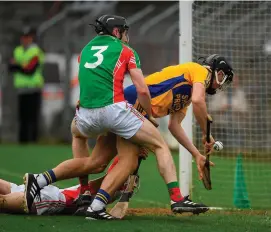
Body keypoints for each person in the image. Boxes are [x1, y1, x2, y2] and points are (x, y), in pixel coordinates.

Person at [23, 14, 211, 220]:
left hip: (84, 114)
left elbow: (89, 80)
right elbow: (142, 89)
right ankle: (176, 198)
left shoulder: (85, 51)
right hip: (114, 111)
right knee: (157, 146)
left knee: (91, 155)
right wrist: (148, 116)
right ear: (115, 32)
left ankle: (53, 183)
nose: (126, 35)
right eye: (124, 31)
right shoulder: (126, 51)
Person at [8, 27, 44, 144]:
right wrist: (21, 66)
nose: (25, 39)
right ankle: (22, 142)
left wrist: (18, 65)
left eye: (27, 37)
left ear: (31, 38)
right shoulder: (17, 50)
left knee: (32, 117)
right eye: (23, 37)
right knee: (22, 117)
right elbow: (10, 67)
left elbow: (30, 70)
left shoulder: (35, 51)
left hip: (34, 88)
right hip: (21, 89)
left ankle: (33, 141)